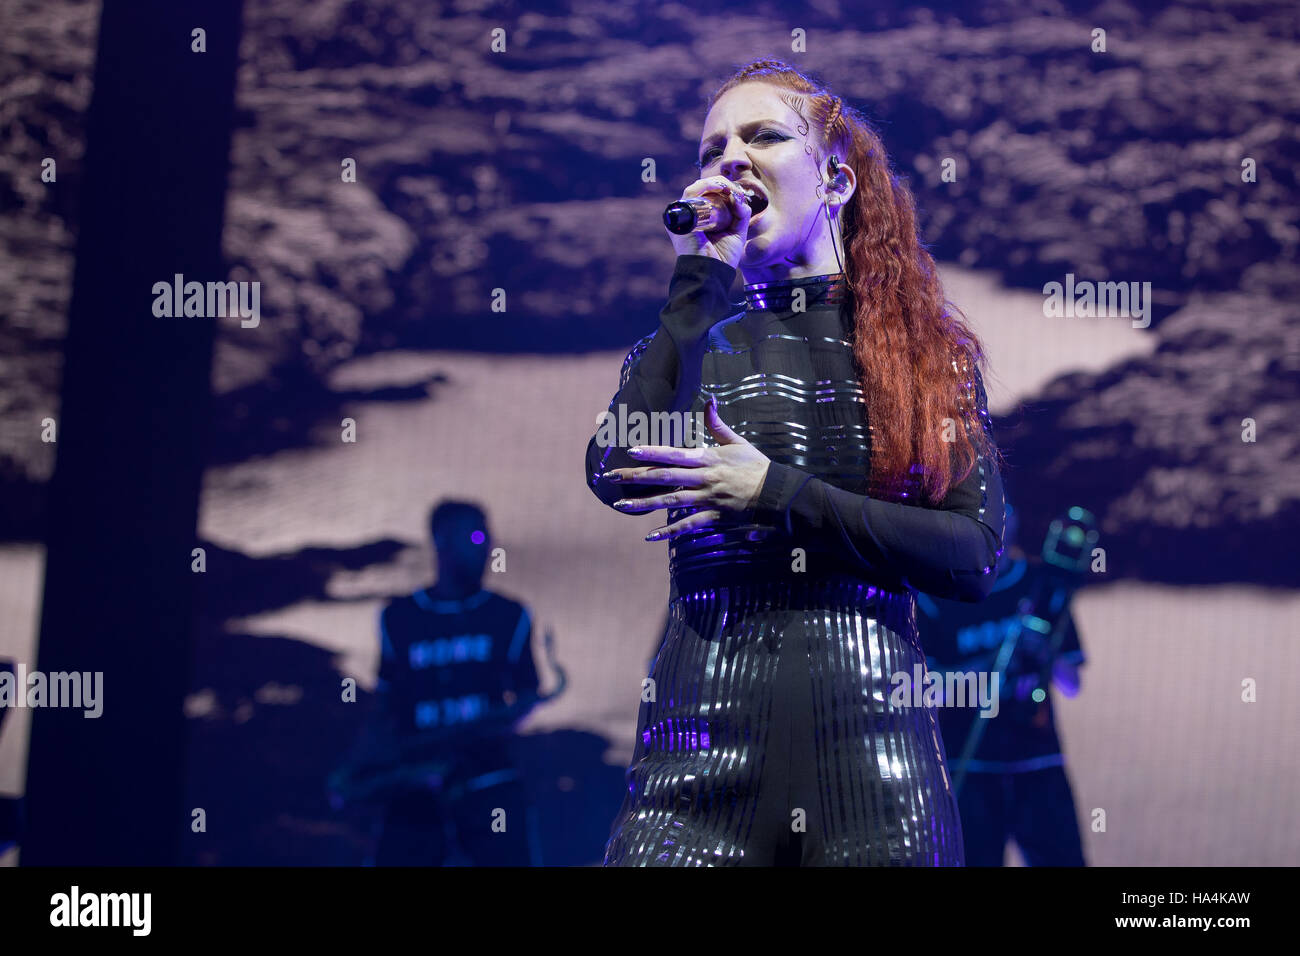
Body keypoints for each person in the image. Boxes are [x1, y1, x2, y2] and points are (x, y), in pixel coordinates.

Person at [585, 59, 1006, 866]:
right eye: (712, 151)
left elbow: (971, 555)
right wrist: (699, 284)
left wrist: (775, 492)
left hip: (876, 776)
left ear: (836, 181)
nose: (729, 162)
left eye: (763, 136)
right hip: (691, 768)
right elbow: (616, 470)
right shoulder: (690, 342)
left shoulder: (924, 358)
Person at [338, 500, 543, 866]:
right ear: (442, 540)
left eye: (488, 538)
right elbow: (385, 706)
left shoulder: (509, 616)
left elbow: (528, 692)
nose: (486, 548)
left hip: (486, 777)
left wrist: (491, 725)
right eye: (476, 536)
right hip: (413, 781)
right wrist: (361, 766)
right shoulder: (398, 618)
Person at [918, 502, 1089, 866]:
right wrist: (992, 664)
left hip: (1038, 762)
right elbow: (924, 690)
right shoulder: (937, 597)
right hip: (971, 763)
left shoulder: (1041, 586)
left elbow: (1072, 684)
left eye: (1003, 511)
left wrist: (1044, 652)